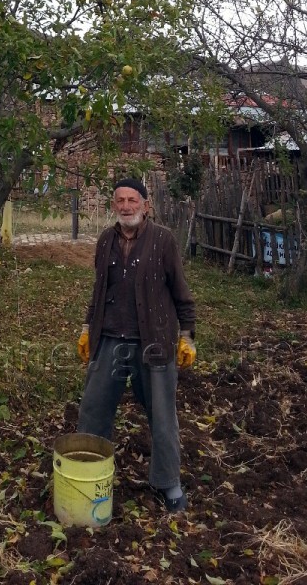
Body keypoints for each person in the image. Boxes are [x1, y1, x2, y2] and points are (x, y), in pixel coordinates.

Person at [76, 177, 197, 513]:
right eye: (120, 200)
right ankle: (89, 473)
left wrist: (186, 336)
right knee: (93, 409)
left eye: (133, 200)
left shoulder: (163, 241)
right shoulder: (105, 241)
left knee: (161, 413)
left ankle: (167, 483)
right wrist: (88, 329)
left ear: (145, 205)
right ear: (113, 206)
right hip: (111, 338)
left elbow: (181, 293)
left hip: (154, 342)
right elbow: (99, 292)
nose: (126, 206)